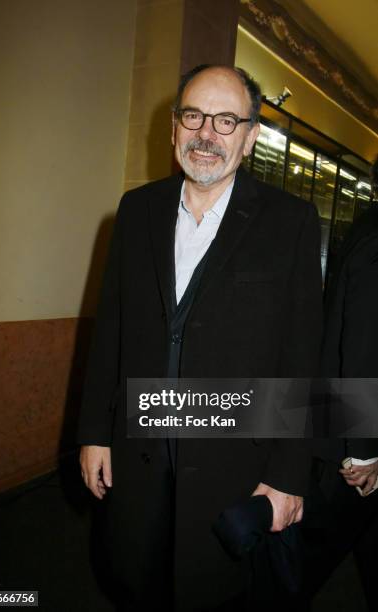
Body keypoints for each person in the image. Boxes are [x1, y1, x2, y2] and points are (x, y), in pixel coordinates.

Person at [77, 64, 323, 611]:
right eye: (194, 115)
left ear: (251, 135)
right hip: (139, 454)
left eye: (226, 120)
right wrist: (95, 430)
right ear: (173, 127)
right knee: (137, 582)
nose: (207, 133)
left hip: (233, 465)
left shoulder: (292, 222)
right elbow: (111, 330)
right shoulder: (136, 210)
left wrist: (288, 477)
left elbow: (301, 358)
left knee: (216, 594)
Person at [305, 157, 378, 610]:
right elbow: (364, 350)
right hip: (353, 444)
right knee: (301, 563)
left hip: (350, 432)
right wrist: (366, 449)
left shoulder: (366, 229)